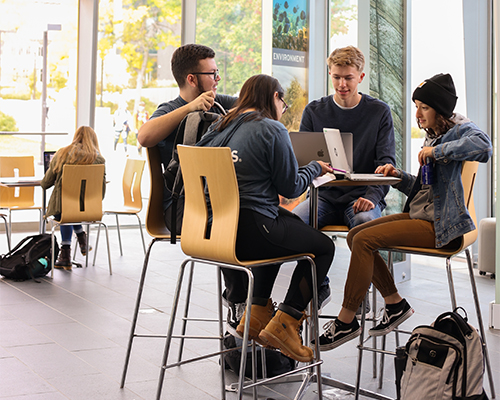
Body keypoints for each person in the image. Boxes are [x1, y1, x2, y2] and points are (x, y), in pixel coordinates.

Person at [315, 73, 492, 351]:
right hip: (422, 215)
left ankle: (346, 319)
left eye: (424, 107)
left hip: (440, 226)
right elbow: (423, 189)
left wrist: (437, 152)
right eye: (417, 106)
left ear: (441, 110)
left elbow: (485, 146)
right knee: (356, 235)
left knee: (362, 240)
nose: (418, 114)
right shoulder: (433, 137)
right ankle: (395, 303)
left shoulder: (458, 132)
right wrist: (396, 175)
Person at [197, 74, 335, 362]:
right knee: (324, 247)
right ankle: (287, 321)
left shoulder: (217, 128)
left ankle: (256, 314)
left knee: (285, 225)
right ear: (274, 97)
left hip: (211, 232)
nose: (283, 108)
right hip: (250, 234)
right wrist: (314, 168)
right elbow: (291, 187)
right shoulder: (271, 129)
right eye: (283, 102)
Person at [137, 43, 245, 336]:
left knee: (250, 217)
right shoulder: (171, 109)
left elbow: (253, 105)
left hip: (213, 202)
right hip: (180, 209)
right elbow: (144, 136)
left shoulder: (220, 101)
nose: (217, 79)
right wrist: (190, 108)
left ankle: (254, 307)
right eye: (212, 73)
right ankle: (241, 302)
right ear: (192, 79)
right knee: (233, 222)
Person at [292, 45, 396, 312]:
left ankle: (358, 294)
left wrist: (372, 197)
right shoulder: (314, 111)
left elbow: (387, 164)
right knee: (295, 225)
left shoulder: (379, 112)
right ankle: (319, 283)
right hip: (323, 197)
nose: (341, 84)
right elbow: (304, 163)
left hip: (362, 199)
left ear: (360, 77)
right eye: (336, 76)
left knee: (364, 225)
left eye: (348, 77)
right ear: (330, 73)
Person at [41, 126, 106, 270]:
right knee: (73, 209)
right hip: (88, 210)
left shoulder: (62, 154)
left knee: (67, 209)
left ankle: (66, 254)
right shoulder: (99, 159)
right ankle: (81, 237)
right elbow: (101, 193)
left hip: (63, 210)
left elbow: (45, 184)